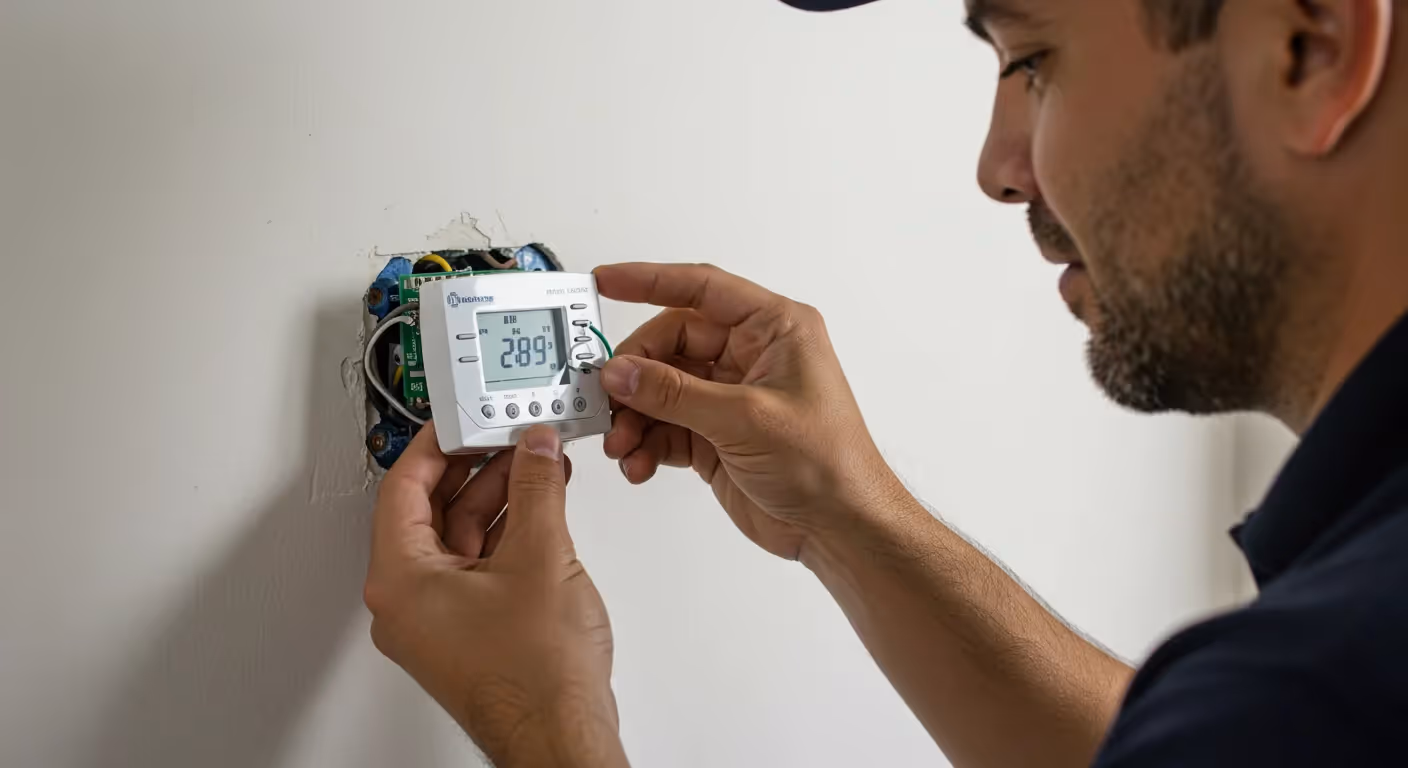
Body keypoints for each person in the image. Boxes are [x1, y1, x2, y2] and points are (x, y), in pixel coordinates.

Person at [361, 0, 1408, 764]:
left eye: (1035, 61)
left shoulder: (1327, 681)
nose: (998, 165)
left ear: (1308, 47)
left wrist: (545, 730)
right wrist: (839, 515)